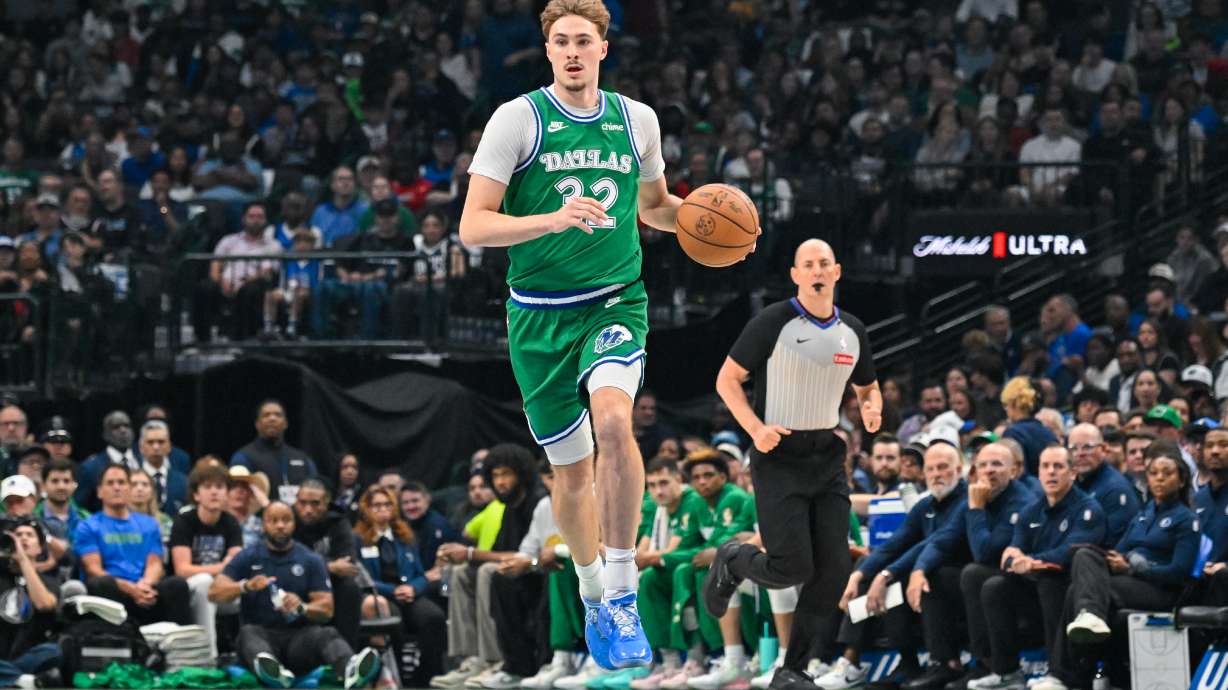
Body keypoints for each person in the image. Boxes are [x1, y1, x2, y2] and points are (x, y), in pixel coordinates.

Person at [459, 0, 692, 669]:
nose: (570, 51)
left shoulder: (635, 120)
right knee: (570, 470)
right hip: (537, 315)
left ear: (603, 48)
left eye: (582, 41)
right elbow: (474, 227)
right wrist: (553, 219)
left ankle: (621, 588)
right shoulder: (518, 119)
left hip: (615, 301)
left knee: (615, 423)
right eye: (559, 41)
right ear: (547, 48)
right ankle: (593, 594)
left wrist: (708, 223)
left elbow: (655, 207)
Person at [705, 238, 881, 690]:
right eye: (809, 264)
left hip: (826, 455)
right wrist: (755, 429)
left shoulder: (853, 330)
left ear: (837, 271)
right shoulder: (773, 322)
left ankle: (793, 669)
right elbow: (726, 379)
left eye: (825, 262)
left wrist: (871, 407)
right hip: (777, 454)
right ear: (796, 274)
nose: (818, 270)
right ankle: (733, 558)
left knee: (835, 568)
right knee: (793, 568)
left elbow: (868, 386)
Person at [1037, 444, 1198, 690]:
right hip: (1129, 581)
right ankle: (1086, 626)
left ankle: (1064, 676)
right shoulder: (1144, 514)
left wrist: (1134, 569)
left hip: (1162, 590)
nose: (1159, 478)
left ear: (1182, 479)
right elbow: (1119, 550)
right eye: (1154, 473)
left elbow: (1180, 572)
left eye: (1167, 473)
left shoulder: (1187, 519)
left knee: (1083, 593)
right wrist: (1112, 560)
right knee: (1084, 555)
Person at [813, 442, 965, 690]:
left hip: (955, 575)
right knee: (869, 571)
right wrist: (858, 577)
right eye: (931, 469)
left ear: (959, 469)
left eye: (943, 467)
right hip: (927, 570)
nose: (936, 474)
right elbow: (895, 544)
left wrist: (885, 575)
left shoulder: (965, 501)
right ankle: (900, 662)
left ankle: (943, 663)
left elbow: (935, 542)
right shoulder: (925, 505)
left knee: (900, 581)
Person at [966, 446, 1106, 690]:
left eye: (1058, 467)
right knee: (995, 586)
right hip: (1035, 586)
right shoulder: (1031, 510)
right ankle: (1007, 672)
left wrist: (1031, 561)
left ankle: (1060, 674)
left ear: (1072, 473)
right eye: (1045, 466)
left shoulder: (1088, 508)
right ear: (1038, 472)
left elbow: (1072, 551)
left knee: (1050, 582)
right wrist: (1018, 560)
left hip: (1073, 587)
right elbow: (1011, 553)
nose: (1051, 472)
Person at [208, 502, 381, 689]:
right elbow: (214, 592)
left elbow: (326, 609)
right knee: (247, 633)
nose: (280, 525)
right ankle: (273, 674)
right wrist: (245, 586)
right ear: (264, 524)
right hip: (261, 634)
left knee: (326, 633)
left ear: (294, 524)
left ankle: (350, 669)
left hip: (298, 640)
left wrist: (302, 607)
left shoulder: (310, 559)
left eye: (286, 520)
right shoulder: (249, 556)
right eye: (274, 520)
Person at [914, 443, 1034, 690]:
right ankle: (945, 662)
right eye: (983, 465)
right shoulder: (976, 494)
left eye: (997, 464)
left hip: (1024, 582)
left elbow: (985, 553)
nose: (989, 470)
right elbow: (942, 540)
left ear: (1013, 471)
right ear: (974, 470)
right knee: (937, 576)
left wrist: (977, 510)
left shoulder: (1022, 501)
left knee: (974, 573)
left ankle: (988, 664)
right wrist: (919, 570)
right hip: (988, 578)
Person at [75, 464, 191, 625]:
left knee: (177, 584)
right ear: (99, 491)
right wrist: (130, 588)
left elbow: (155, 563)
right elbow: (93, 570)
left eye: (122, 482)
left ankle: (180, 644)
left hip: (145, 590)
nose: (117, 487)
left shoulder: (149, 524)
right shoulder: (88, 526)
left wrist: (145, 584)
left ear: (129, 489)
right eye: (110, 483)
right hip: (114, 592)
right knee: (100, 583)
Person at [353, 486, 447, 683]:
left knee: (434, 617)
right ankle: (399, 679)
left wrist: (413, 588)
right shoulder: (358, 540)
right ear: (366, 509)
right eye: (376, 505)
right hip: (382, 596)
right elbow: (362, 579)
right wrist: (392, 590)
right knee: (393, 621)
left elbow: (422, 574)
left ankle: (428, 677)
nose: (383, 509)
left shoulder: (405, 536)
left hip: (409, 593)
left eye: (387, 504)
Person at [170, 462, 243, 658]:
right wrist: (221, 566)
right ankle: (209, 657)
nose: (214, 492)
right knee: (204, 582)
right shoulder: (184, 521)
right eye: (208, 487)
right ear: (196, 495)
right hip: (189, 589)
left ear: (227, 493)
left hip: (220, 586)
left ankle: (248, 655)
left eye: (220, 487)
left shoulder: (231, 523)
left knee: (251, 587)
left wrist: (226, 571)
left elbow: (236, 567)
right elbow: (182, 570)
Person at [292, 478, 363, 649]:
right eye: (302, 503)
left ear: (326, 504)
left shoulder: (338, 521)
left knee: (350, 587)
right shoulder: (288, 520)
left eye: (315, 504)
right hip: (295, 582)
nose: (308, 509)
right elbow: (288, 561)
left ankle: (347, 652)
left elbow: (348, 564)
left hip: (330, 585)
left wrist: (311, 566)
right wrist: (329, 566)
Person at [0, 517, 62, 688]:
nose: (23, 538)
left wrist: (23, 561)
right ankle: (21, 681)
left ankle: (7, 677)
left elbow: (44, 604)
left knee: (53, 652)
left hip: (28, 655)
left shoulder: (49, 580)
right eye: (18, 535)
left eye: (30, 535)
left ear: (40, 548)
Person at [230, 399, 318, 503]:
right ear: (257, 424)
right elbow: (237, 496)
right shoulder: (243, 457)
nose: (272, 418)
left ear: (285, 423)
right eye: (266, 415)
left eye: (278, 415)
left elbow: (316, 490)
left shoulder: (302, 458)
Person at [1067, 424, 1141, 545]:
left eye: (1087, 447)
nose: (1080, 453)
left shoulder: (1115, 489)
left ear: (1104, 449)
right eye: (1073, 448)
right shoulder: (1072, 483)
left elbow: (1113, 543)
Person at [74, 410, 137, 513]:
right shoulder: (90, 468)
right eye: (116, 427)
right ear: (105, 434)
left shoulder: (144, 460)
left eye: (127, 426)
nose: (123, 430)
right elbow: (80, 508)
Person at [1000, 377, 1057, 476]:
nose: (1006, 409)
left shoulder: (1013, 433)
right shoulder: (1048, 433)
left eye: (1006, 404)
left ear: (1014, 403)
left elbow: (1016, 475)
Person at [138, 420, 188, 514]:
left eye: (161, 442)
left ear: (169, 446)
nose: (156, 447)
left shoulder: (183, 481)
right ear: (141, 447)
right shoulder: (131, 481)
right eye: (150, 442)